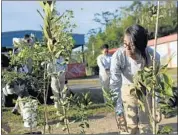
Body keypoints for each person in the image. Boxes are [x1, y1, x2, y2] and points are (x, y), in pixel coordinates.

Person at [110, 24, 160, 134]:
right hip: (127, 88)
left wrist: (157, 106)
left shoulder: (152, 56)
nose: (127, 49)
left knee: (146, 125)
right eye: (124, 44)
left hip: (145, 90)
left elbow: (156, 83)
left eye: (131, 45)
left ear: (141, 46)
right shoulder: (118, 56)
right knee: (130, 126)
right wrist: (119, 111)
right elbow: (115, 85)